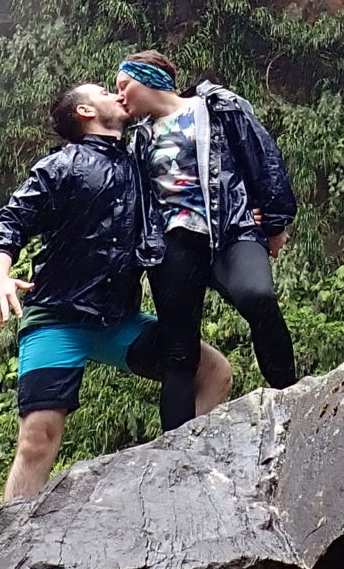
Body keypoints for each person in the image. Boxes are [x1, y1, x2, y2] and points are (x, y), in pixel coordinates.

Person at [0, 81, 231, 503]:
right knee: (37, 437)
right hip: (57, 318)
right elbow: (12, 221)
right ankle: (10, 538)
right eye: (104, 90)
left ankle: (182, 476)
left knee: (213, 371)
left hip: (119, 320)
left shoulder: (144, 161)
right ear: (85, 111)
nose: (116, 94)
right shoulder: (60, 166)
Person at [114, 51, 299, 430]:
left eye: (123, 86)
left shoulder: (217, 106)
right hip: (172, 244)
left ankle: (292, 397)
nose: (119, 97)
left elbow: (261, 156)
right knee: (178, 352)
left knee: (257, 296)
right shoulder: (137, 141)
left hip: (233, 227)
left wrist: (275, 222)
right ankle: (175, 452)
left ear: (149, 78)